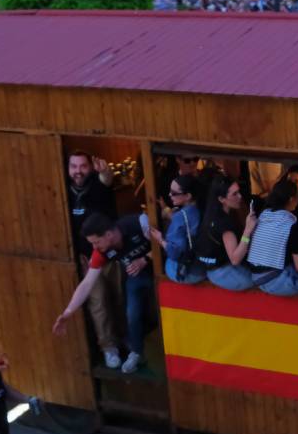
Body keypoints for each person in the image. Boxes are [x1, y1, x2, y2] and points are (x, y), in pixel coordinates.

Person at [54, 212, 154, 374]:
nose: (94, 247)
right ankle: (136, 352)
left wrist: (145, 259)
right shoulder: (101, 252)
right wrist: (67, 313)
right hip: (138, 276)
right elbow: (87, 283)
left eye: (96, 242)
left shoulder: (137, 224)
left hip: (162, 271)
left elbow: (167, 244)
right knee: (132, 312)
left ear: (109, 234)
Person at [64, 151, 122, 369]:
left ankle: (125, 341)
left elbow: (107, 180)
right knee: (98, 303)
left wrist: (106, 172)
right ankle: (109, 348)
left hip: (111, 255)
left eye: (83, 166)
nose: (78, 171)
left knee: (118, 298)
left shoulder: (97, 184)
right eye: (74, 166)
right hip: (86, 258)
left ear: (90, 167)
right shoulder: (63, 189)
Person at [195, 175, 257, 290]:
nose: (240, 196)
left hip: (209, 266)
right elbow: (235, 259)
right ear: (221, 199)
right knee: (258, 281)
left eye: (239, 192)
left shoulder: (211, 213)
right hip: (221, 272)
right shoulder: (225, 224)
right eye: (234, 194)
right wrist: (248, 230)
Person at [246, 179, 298, 296]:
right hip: (274, 281)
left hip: (254, 276)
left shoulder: (264, 215)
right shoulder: (291, 224)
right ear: (291, 199)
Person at [150, 174, 204, 284]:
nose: (170, 195)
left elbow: (174, 252)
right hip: (203, 266)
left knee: (168, 262)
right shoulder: (201, 208)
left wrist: (161, 240)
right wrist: (166, 209)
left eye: (174, 193)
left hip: (189, 272)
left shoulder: (180, 217)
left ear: (188, 196)